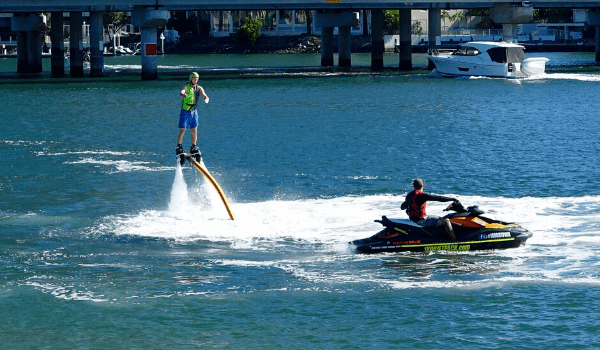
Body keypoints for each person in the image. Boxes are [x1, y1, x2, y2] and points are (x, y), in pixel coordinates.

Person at [176, 72, 209, 163]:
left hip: (194, 111)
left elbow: (205, 95)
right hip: (185, 111)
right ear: (191, 78)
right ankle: (179, 146)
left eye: (197, 79)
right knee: (183, 130)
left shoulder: (199, 88)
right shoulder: (186, 86)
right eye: (194, 78)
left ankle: (193, 146)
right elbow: (182, 91)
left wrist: (206, 98)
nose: (195, 80)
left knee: (194, 129)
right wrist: (183, 94)